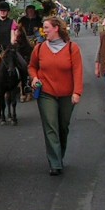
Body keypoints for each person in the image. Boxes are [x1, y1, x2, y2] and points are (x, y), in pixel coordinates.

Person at [28, 16, 83, 175]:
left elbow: (77, 71)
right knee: (51, 126)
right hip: (46, 93)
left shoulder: (72, 48)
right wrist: (34, 78)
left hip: (67, 93)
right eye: (43, 28)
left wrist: (77, 92)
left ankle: (59, 155)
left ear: (56, 28)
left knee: (63, 127)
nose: (44, 31)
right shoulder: (39, 48)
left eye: (46, 28)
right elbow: (32, 67)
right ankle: (55, 163)